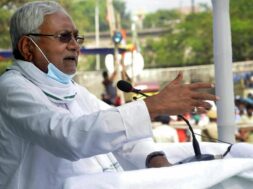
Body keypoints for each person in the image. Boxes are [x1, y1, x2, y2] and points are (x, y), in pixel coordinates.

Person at [0, 1, 218, 189]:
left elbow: (119, 133)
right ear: (28, 47)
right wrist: (153, 106)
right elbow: (70, 137)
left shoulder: (72, 89)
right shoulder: (12, 89)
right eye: (64, 37)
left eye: (77, 37)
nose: (75, 46)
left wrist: (155, 160)